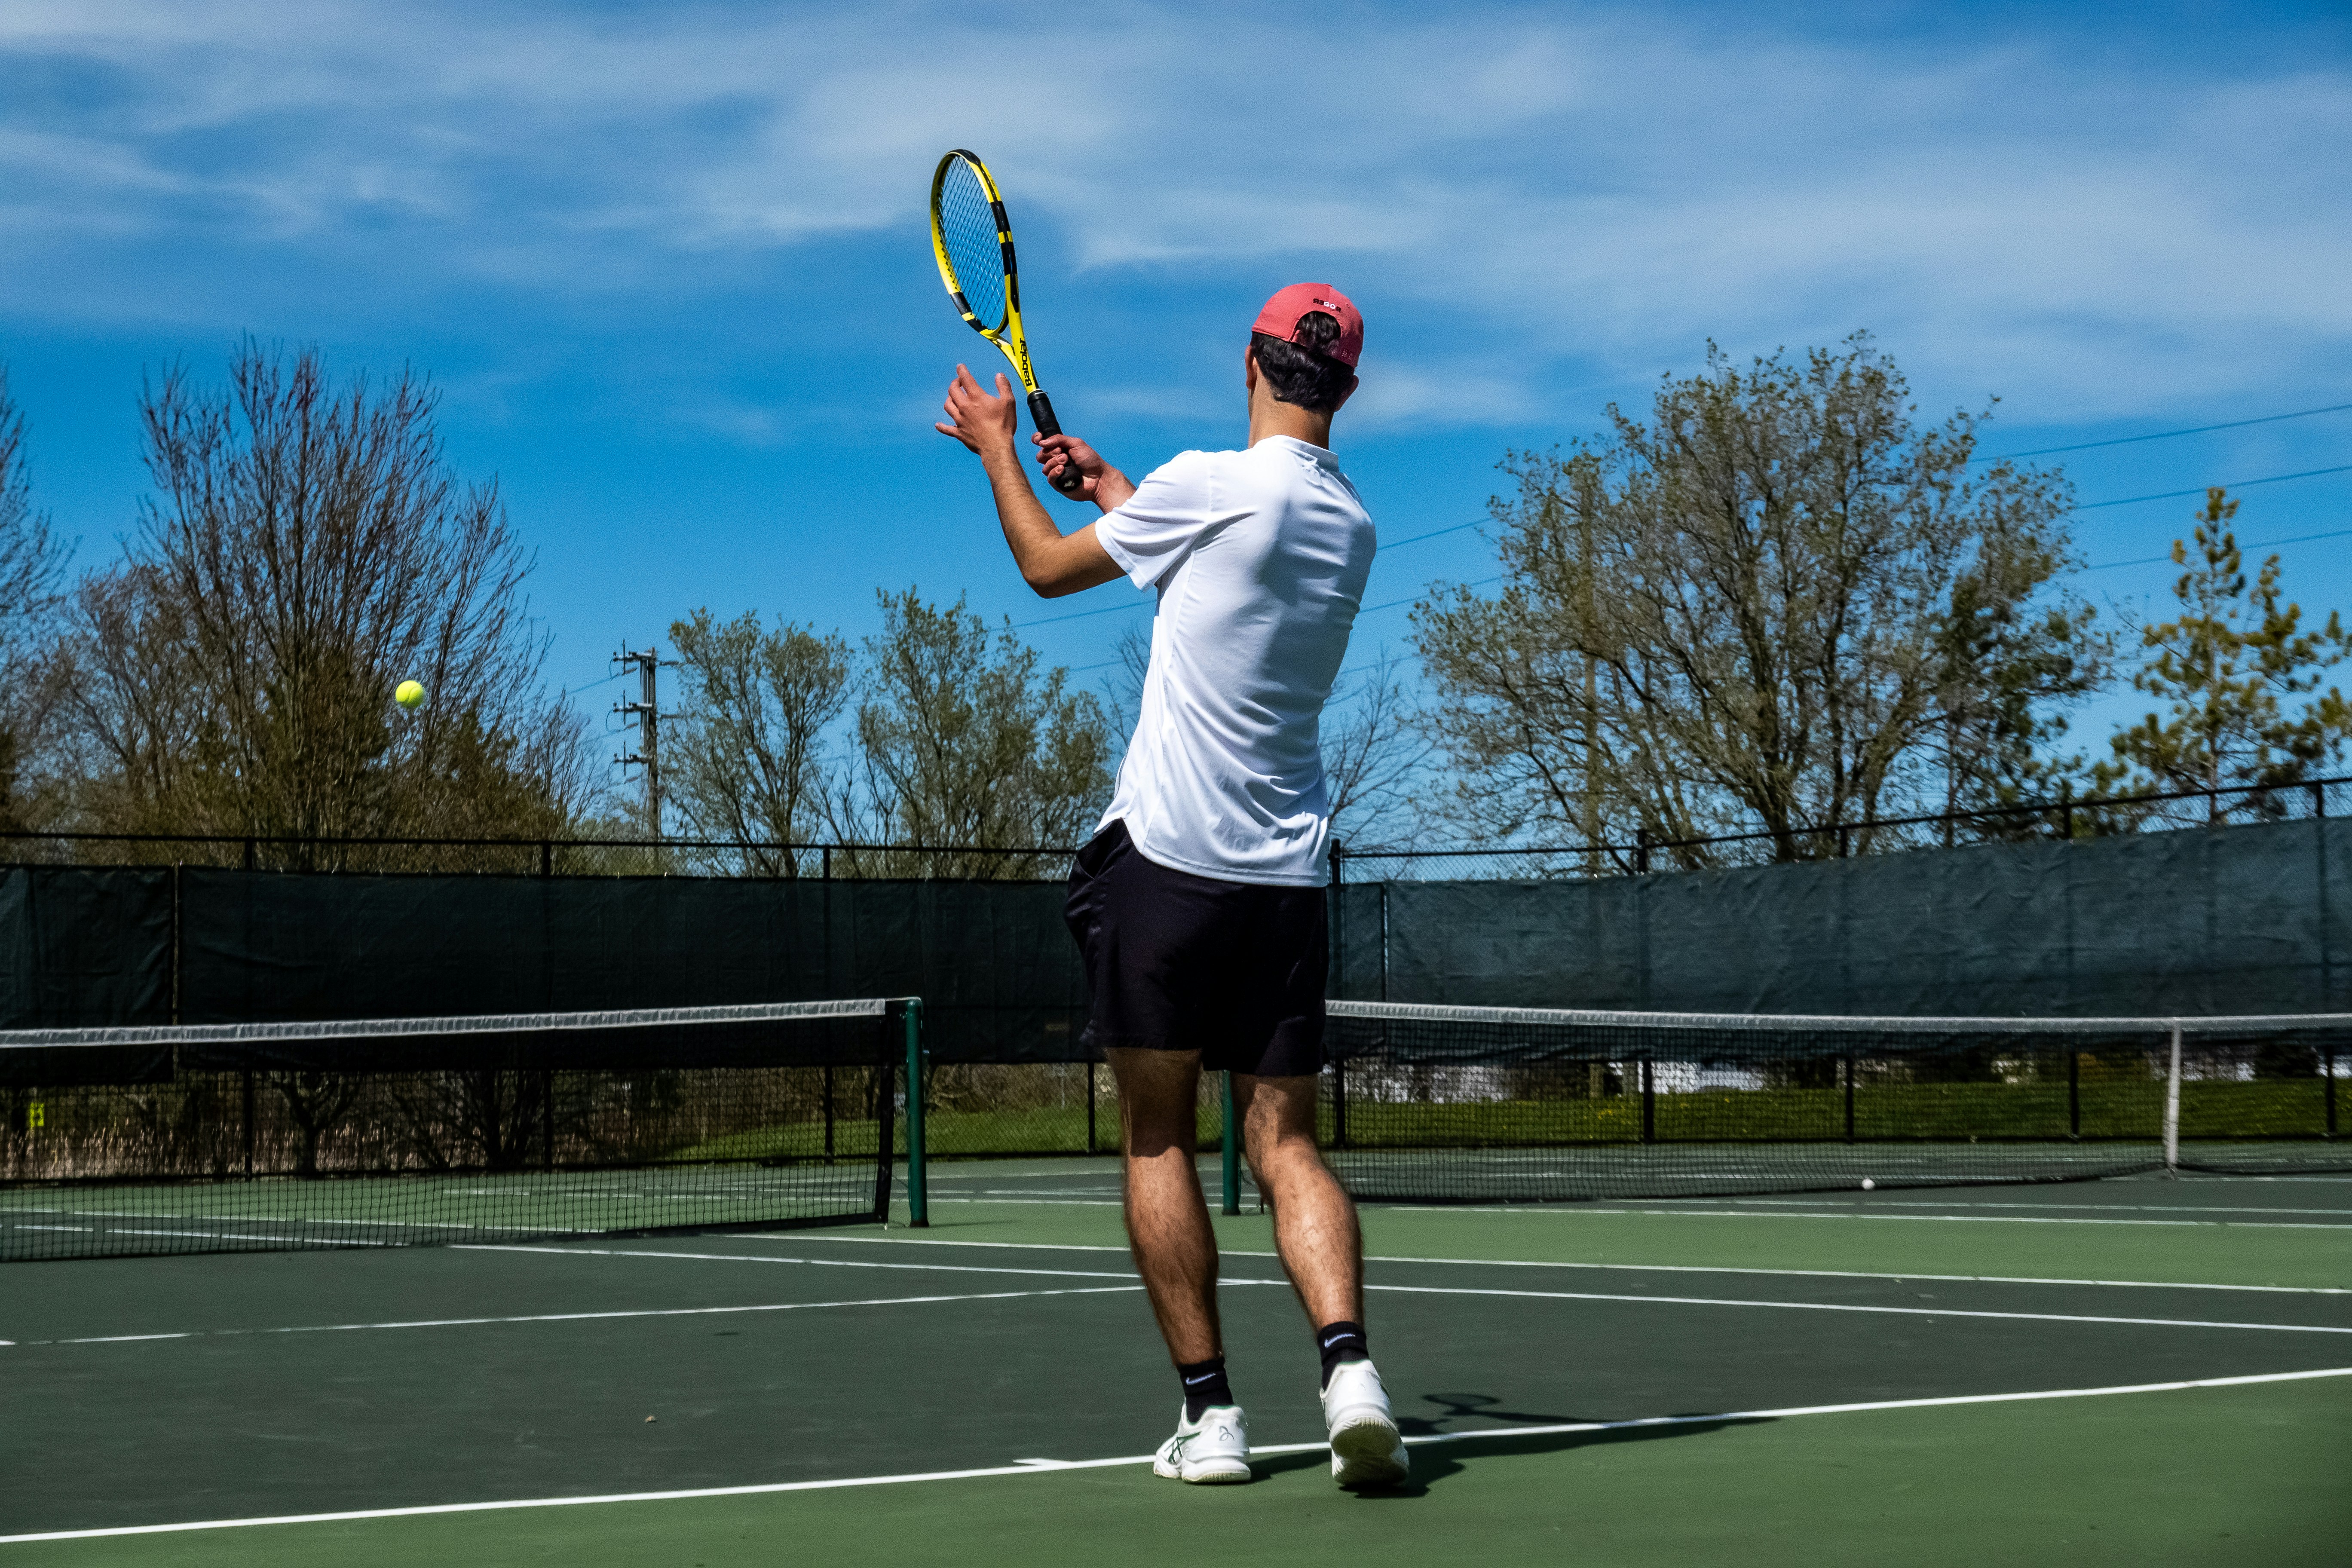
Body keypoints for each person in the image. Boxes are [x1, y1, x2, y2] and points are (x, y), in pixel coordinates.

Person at [934, 284, 1405, 1489]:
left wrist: (1000, 453)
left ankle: (1215, 1419)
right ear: (1344, 389)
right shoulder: (1348, 522)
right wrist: (1109, 489)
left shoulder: (1210, 483)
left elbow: (1046, 572)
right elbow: (1203, 580)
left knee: (1158, 1138)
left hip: (1166, 870)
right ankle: (1351, 1372)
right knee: (1285, 1143)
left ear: (1244, 363)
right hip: (1285, 882)